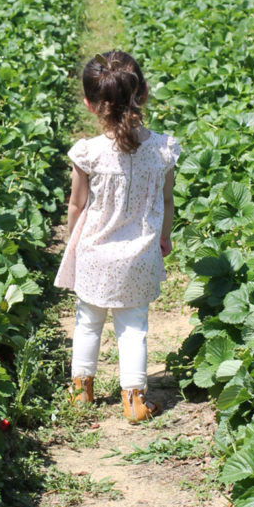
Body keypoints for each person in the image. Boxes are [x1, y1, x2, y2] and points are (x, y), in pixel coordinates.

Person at [55, 50, 180, 423]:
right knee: (133, 326)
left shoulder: (89, 153)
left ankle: (81, 390)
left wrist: (71, 243)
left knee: (88, 321)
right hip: (139, 254)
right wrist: (164, 237)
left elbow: (77, 206)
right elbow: (167, 200)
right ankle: (135, 400)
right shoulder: (162, 150)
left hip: (95, 252)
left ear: (90, 104)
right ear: (143, 92)